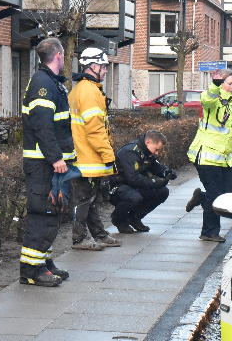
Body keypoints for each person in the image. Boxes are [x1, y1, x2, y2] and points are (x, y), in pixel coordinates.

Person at [19, 37, 74, 287]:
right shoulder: (43, 83)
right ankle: (31, 270)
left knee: (53, 213)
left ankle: (44, 263)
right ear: (59, 55)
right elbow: (42, 124)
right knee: (43, 213)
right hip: (44, 163)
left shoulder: (49, 82)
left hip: (50, 163)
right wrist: (56, 158)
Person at [68, 47, 121, 250]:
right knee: (84, 199)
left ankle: (98, 234)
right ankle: (79, 238)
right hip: (87, 157)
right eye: (104, 66)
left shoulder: (84, 88)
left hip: (84, 155)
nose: (106, 70)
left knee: (89, 198)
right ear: (93, 66)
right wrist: (109, 156)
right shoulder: (89, 92)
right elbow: (95, 129)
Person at [185, 70, 232, 242]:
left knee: (230, 192)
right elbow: (207, 98)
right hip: (207, 156)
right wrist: (214, 85)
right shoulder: (213, 99)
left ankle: (202, 197)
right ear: (221, 83)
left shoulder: (231, 104)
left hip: (223, 159)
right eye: (229, 83)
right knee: (215, 195)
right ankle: (209, 232)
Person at [111, 130, 176, 234]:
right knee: (134, 197)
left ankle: (134, 218)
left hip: (132, 185)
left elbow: (155, 166)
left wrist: (167, 172)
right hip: (117, 186)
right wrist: (155, 182)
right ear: (148, 142)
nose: (156, 153)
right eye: (156, 150)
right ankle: (118, 220)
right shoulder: (130, 152)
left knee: (162, 192)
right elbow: (133, 178)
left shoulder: (147, 152)